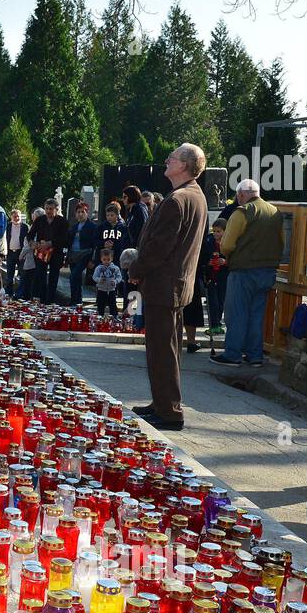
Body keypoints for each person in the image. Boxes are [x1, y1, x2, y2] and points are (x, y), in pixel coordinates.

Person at [128, 143, 210, 431]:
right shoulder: (194, 195)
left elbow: (159, 248)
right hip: (175, 286)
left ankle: (169, 412)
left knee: (161, 350)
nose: (166, 160)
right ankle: (162, 403)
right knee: (167, 349)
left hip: (165, 286)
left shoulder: (178, 200)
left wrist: (136, 269)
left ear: (184, 165)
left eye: (172, 157)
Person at [210, 179, 284, 368]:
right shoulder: (274, 212)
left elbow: (227, 244)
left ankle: (232, 354)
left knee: (236, 314)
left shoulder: (242, 211)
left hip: (243, 271)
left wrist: (228, 255)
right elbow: (281, 241)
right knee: (256, 315)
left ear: (242, 194)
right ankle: (255, 356)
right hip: (268, 271)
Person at [28, 197, 67, 302]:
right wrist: (32, 243)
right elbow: (30, 234)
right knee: (41, 276)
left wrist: (50, 243)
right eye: (47, 208)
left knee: (53, 278)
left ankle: (51, 301)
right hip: (41, 253)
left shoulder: (62, 221)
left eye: (51, 209)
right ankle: (42, 300)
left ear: (56, 209)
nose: (48, 211)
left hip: (56, 253)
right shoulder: (40, 220)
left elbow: (65, 238)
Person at [65, 201, 99, 306]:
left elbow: (95, 244)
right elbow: (69, 243)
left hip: (85, 254)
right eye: (78, 212)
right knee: (76, 278)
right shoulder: (74, 227)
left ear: (87, 213)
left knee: (73, 276)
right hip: (73, 255)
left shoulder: (92, 226)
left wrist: (92, 260)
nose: (80, 214)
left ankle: (76, 300)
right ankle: (76, 300)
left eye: (82, 212)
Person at [202, 218, 229, 335]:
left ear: (225, 231)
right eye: (214, 231)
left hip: (224, 276)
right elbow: (202, 256)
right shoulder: (208, 241)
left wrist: (225, 261)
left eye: (219, 231)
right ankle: (213, 325)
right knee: (212, 301)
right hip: (211, 277)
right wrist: (207, 262)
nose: (216, 234)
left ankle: (218, 323)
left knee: (221, 301)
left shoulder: (229, 243)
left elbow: (235, 258)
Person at [92, 247, 123, 317]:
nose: (106, 261)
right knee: (100, 306)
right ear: (101, 259)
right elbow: (94, 277)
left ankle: (114, 318)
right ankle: (100, 318)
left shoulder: (115, 268)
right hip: (101, 289)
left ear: (112, 259)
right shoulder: (98, 268)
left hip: (112, 290)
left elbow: (119, 277)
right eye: (104, 259)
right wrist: (99, 280)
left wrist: (115, 281)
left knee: (113, 305)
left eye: (108, 259)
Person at [5, 209, 27, 297]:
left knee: (22, 274)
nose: (17, 218)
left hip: (20, 252)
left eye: (18, 216)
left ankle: (19, 294)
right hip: (10, 253)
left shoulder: (25, 226)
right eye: (15, 216)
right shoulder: (8, 226)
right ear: (11, 217)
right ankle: (9, 293)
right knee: (10, 274)